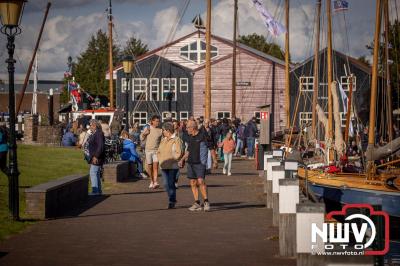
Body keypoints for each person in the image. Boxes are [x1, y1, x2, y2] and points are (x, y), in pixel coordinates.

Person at [178, 120, 210, 212]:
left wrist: (213, 160)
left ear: (193, 127)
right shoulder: (190, 137)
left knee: (201, 181)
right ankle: (197, 202)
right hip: (191, 162)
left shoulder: (202, 136)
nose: (186, 129)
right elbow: (188, 151)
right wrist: (182, 159)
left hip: (200, 163)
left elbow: (210, 146)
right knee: (192, 182)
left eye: (187, 127)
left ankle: (206, 201)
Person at [157, 122, 184, 209]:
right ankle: (172, 198)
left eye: (163, 130)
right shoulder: (163, 140)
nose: (163, 132)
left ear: (168, 131)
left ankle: (171, 201)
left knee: (171, 183)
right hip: (163, 165)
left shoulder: (176, 139)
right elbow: (159, 151)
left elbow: (179, 152)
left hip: (173, 166)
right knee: (165, 184)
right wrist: (160, 159)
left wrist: (173, 159)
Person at [140, 115, 163, 189]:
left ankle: (155, 182)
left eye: (158, 121)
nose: (157, 123)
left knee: (155, 167)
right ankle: (151, 181)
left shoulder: (160, 130)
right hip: (148, 150)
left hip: (156, 151)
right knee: (150, 168)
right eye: (156, 121)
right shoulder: (148, 128)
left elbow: (162, 141)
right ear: (152, 121)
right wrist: (144, 133)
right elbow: (141, 138)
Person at [86, 119, 105, 195]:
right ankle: (98, 191)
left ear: (94, 125)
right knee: (96, 173)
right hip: (96, 157)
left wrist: (96, 156)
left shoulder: (98, 134)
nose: (89, 127)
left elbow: (100, 146)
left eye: (90, 125)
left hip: (97, 157)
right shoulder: (96, 133)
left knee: (93, 173)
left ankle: (95, 191)